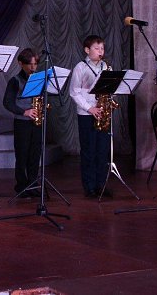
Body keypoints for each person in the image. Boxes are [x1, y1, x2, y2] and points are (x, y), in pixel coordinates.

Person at [68, 35, 112, 199]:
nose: (100, 52)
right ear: (87, 50)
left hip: (102, 112)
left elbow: (110, 88)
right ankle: (89, 187)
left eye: (102, 48)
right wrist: (90, 108)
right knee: (89, 151)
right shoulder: (80, 67)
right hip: (86, 114)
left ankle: (101, 185)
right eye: (96, 48)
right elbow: (74, 92)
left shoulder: (105, 66)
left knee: (102, 151)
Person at [3, 48, 43, 198]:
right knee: (22, 155)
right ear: (21, 63)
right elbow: (7, 102)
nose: (33, 67)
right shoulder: (15, 81)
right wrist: (24, 112)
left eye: (35, 64)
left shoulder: (39, 79)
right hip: (22, 122)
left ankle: (32, 184)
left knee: (35, 155)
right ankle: (21, 186)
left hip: (36, 122)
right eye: (29, 64)